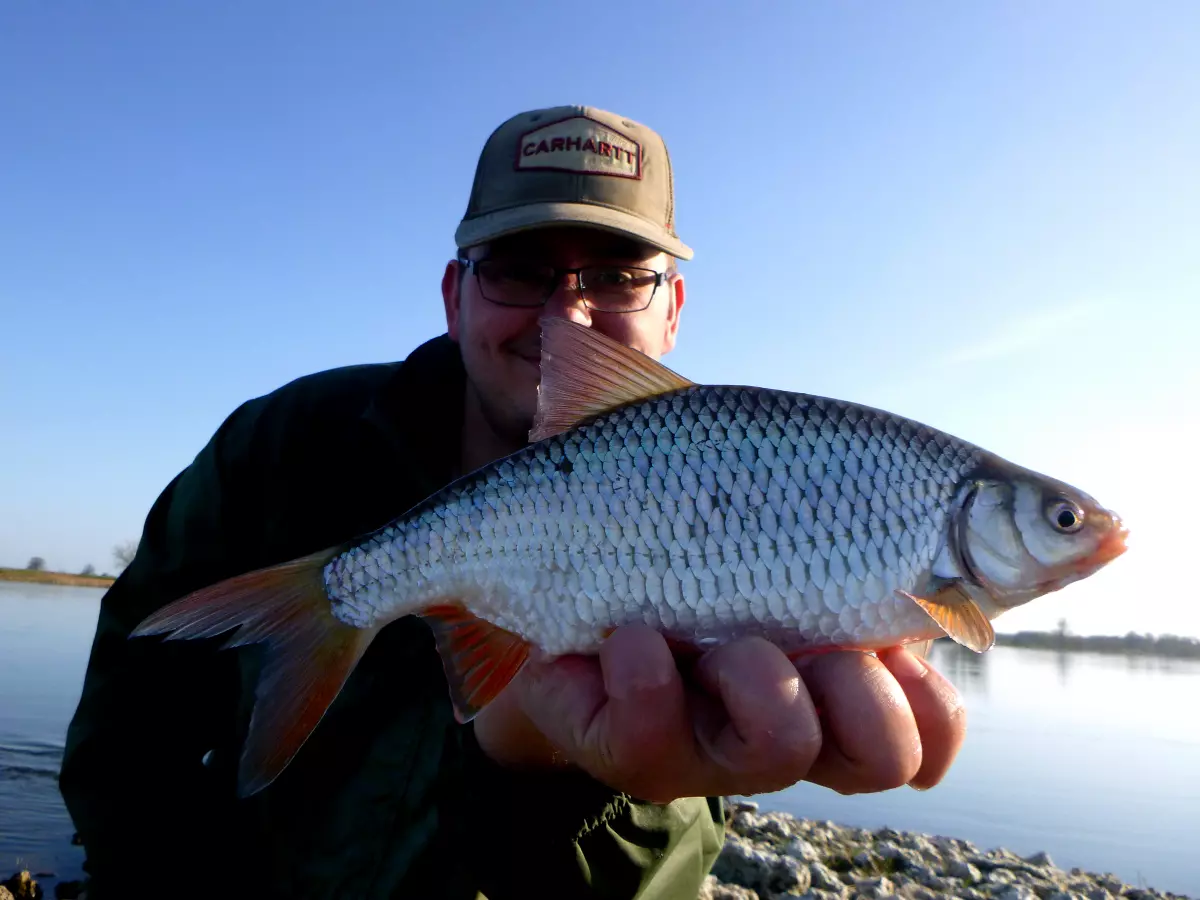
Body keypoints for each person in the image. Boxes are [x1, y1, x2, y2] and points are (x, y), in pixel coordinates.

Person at [59, 105, 967, 900]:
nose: (565, 316)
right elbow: (126, 737)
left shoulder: (726, 492)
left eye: (616, 275)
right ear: (456, 296)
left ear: (673, 309)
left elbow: (658, 881)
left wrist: (569, 768)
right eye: (520, 268)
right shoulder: (284, 443)